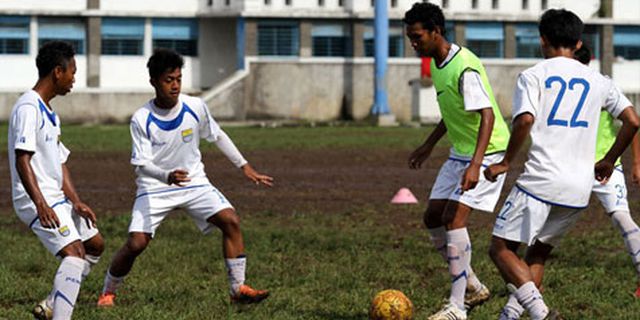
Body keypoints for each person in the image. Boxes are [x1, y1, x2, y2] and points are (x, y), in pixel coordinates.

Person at [484, 9, 639, 320]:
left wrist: (505, 162)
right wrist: (609, 160)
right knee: (537, 253)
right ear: (578, 42)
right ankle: (509, 317)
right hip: (580, 187)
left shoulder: (533, 75)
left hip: (541, 180)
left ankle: (542, 315)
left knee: (500, 249)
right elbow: (633, 120)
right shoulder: (599, 80)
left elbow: (525, 119)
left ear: (543, 40)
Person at [97, 48, 272, 307]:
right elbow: (141, 164)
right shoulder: (141, 119)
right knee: (136, 244)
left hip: (193, 182)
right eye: (169, 80)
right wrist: (166, 176)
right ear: (154, 81)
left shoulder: (195, 106)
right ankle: (107, 293)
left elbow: (217, 135)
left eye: (178, 79)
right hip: (155, 186)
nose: (175, 85)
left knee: (230, 220)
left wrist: (244, 166)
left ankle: (237, 290)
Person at [403, 3, 511, 319]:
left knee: (454, 219)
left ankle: (457, 306)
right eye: (409, 37)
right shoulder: (437, 63)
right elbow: (452, 113)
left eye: (417, 36)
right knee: (432, 217)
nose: (413, 43)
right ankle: (474, 287)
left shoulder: (463, 66)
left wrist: (476, 165)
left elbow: (487, 115)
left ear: (436, 32)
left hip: (487, 152)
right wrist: (428, 145)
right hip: (460, 152)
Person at [8, 41, 105, 320]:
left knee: (94, 245)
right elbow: (22, 159)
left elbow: (59, 163)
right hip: (34, 197)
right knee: (74, 254)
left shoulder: (50, 113)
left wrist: (76, 202)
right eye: (73, 71)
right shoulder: (28, 107)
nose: (75, 78)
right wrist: (40, 204)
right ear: (57, 72)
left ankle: (53, 302)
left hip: (56, 197)